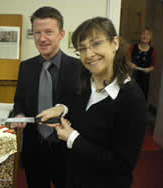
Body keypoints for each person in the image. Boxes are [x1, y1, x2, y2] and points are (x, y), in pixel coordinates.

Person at [38, 17, 147, 188]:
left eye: (96, 44)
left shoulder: (132, 100)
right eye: (82, 49)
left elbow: (122, 165)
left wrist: (73, 138)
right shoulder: (82, 79)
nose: (88, 54)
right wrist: (61, 109)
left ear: (115, 43)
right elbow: (74, 103)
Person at [11, 6, 80, 188]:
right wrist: (18, 114)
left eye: (49, 32)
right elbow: (19, 100)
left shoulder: (79, 68)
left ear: (61, 34)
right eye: (37, 33)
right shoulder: (26, 67)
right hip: (34, 150)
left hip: (67, 152)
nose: (42, 38)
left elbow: (81, 106)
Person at [129, 28, 157, 100]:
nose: (145, 36)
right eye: (143, 34)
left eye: (148, 35)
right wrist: (130, 64)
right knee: (129, 97)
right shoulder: (132, 47)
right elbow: (126, 60)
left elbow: (153, 66)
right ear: (140, 36)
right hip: (131, 77)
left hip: (144, 80)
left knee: (141, 98)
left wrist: (149, 69)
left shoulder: (153, 51)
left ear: (151, 38)